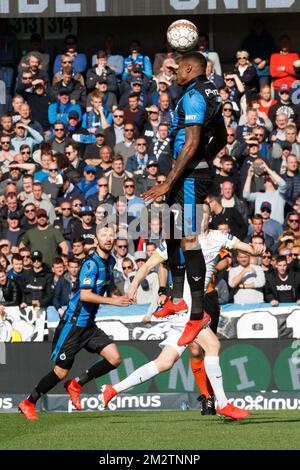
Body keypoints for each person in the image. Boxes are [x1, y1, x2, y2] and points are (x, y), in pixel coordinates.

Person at [99, 203, 262, 419]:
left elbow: (246, 247)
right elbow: (149, 265)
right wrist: (132, 285)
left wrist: (257, 249)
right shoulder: (181, 242)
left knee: (165, 362)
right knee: (213, 345)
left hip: (192, 305)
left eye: (202, 213)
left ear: (209, 216)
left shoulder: (220, 237)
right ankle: (222, 403)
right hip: (185, 306)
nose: (198, 218)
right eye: (194, 215)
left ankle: (113, 390)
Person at [142, 52, 227, 346]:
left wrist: (169, 180)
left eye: (178, 68)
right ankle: (176, 298)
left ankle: (197, 315)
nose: (175, 72)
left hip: (188, 176)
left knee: (189, 239)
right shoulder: (210, 92)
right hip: (187, 172)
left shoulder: (193, 97)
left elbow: (191, 142)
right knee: (170, 229)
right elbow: (224, 137)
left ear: (190, 68)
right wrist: (204, 157)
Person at [18, 225, 130, 420]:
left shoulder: (110, 261)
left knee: (115, 358)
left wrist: (122, 296)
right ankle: (29, 402)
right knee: (60, 372)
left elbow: (105, 287)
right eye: (104, 235)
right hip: (73, 323)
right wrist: (113, 301)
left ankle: (76, 384)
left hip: (89, 325)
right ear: (96, 240)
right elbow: (85, 295)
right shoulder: (90, 264)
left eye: (111, 235)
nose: (108, 238)